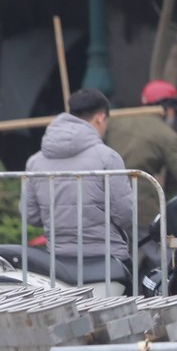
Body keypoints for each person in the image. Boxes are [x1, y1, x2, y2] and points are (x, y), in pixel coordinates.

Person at [26, 88, 135, 261]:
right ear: (101, 117)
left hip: (59, 262)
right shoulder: (107, 157)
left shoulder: (34, 162)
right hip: (107, 261)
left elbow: (30, 215)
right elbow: (125, 215)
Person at [105, 80, 177, 226]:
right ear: (167, 107)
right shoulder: (166, 134)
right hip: (141, 203)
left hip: (108, 198)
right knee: (153, 245)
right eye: (174, 111)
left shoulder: (117, 121)